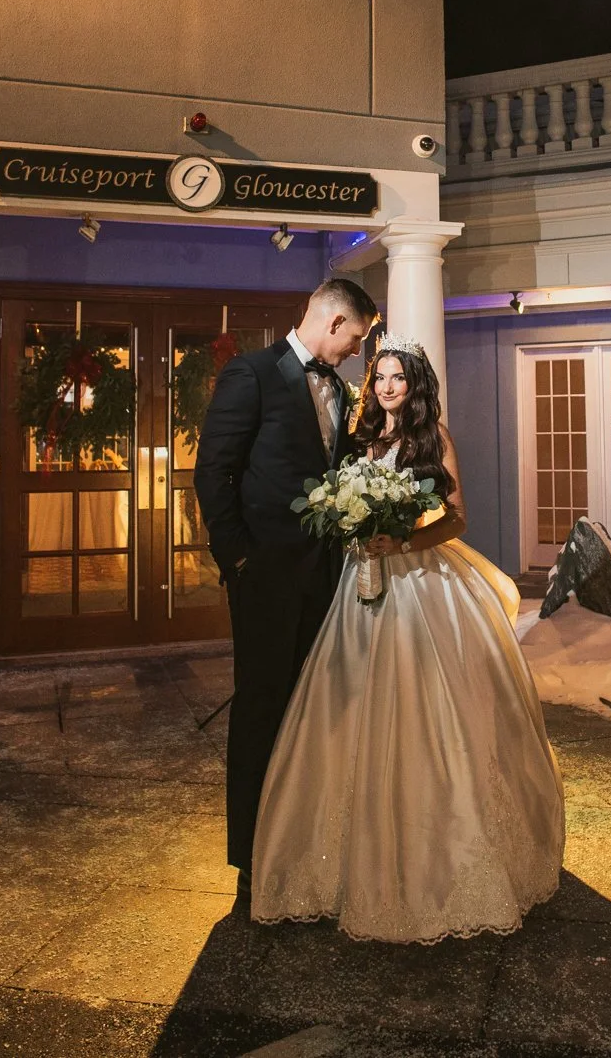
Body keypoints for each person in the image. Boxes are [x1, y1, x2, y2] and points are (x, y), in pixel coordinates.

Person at [249, 336, 565, 943]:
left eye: (399, 378)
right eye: (382, 377)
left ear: (415, 384)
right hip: (362, 581)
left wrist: (401, 541)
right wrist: (354, 526)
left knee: (431, 704)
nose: (390, 387)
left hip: (422, 580)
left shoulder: (432, 439)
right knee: (352, 704)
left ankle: (448, 852)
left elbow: (456, 516)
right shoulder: (364, 439)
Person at [195, 277, 379, 887]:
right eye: (355, 338)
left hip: (326, 578)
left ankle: (306, 844)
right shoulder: (250, 374)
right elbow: (212, 473)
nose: (356, 351)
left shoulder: (342, 390)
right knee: (262, 709)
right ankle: (251, 860)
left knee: (314, 710)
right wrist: (239, 561)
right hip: (266, 578)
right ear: (333, 323)